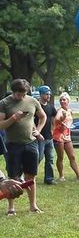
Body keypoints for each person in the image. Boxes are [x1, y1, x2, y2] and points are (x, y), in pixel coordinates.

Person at [0, 78, 46, 214]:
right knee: (13, 177)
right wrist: (13, 118)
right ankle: (11, 208)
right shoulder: (4, 103)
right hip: (12, 144)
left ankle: (33, 205)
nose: (22, 96)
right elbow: (0, 125)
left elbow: (42, 116)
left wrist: (38, 130)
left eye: (24, 93)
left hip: (30, 143)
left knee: (31, 177)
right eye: (19, 94)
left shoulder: (32, 101)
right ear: (14, 91)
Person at [53, 92, 79, 181]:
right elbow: (57, 119)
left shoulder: (69, 111)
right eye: (61, 100)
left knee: (72, 156)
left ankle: (78, 175)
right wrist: (62, 118)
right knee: (60, 157)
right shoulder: (60, 111)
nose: (62, 101)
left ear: (68, 101)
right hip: (58, 136)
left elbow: (69, 122)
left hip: (67, 136)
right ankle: (61, 176)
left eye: (64, 99)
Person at [36, 85, 57, 185]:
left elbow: (53, 119)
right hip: (39, 137)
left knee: (50, 159)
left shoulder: (50, 107)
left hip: (49, 137)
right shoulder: (36, 106)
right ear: (41, 94)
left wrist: (52, 130)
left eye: (49, 94)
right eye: (46, 94)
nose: (48, 96)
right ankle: (28, 176)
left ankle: (49, 179)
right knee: (38, 158)